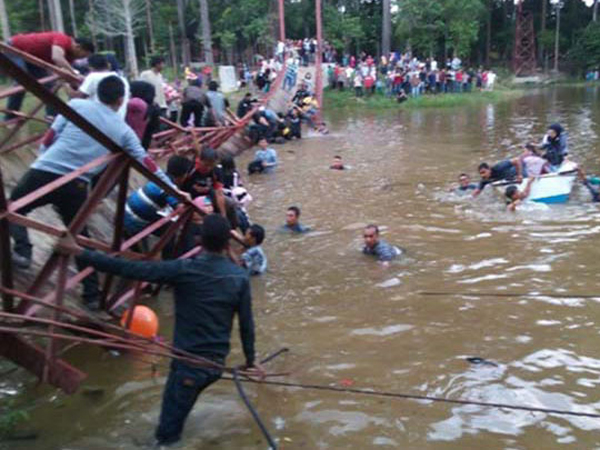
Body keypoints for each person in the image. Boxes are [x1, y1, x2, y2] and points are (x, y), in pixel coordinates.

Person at [54, 214, 265, 446]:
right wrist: (250, 360)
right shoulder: (239, 277)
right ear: (227, 243)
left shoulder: (184, 270)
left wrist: (80, 252)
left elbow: (131, 269)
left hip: (188, 368)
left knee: (165, 438)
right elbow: (247, 325)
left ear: (200, 241)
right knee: (178, 415)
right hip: (215, 366)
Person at [9, 76, 177, 309]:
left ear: (97, 93)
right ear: (120, 101)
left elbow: (50, 137)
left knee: (13, 208)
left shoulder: (76, 105)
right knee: (79, 239)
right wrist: (176, 191)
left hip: (44, 171)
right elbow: (147, 162)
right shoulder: (123, 130)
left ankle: (23, 251)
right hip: (77, 185)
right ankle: (91, 295)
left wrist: (43, 156)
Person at [5, 32, 94, 120]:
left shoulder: (69, 57)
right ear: (78, 47)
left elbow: (68, 77)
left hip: (32, 59)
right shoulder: (63, 39)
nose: (81, 59)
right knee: (22, 79)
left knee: (49, 87)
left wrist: (81, 85)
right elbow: (57, 57)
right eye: (83, 55)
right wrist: (75, 74)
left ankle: (52, 116)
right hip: (14, 48)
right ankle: (10, 117)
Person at [124, 155, 193, 254]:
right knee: (170, 230)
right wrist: (189, 200)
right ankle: (167, 259)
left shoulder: (160, 177)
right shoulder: (170, 188)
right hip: (133, 223)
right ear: (183, 175)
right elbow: (182, 211)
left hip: (124, 213)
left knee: (167, 225)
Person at [76, 54, 129, 119]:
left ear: (90, 68)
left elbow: (76, 97)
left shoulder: (92, 77)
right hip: (119, 120)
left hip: (99, 122)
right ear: (108, 65)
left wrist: (65, 84)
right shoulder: (123, 79)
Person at [183, 146, 227, 220]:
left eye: (211, 166)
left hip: (208, 196)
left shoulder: (217, 170)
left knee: (229, 204)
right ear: (199, 160)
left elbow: (219, 193)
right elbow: (180, 182)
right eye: (206, 165)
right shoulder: (190, 167)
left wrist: (223, 216)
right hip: (190, 197)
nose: (208, 168)